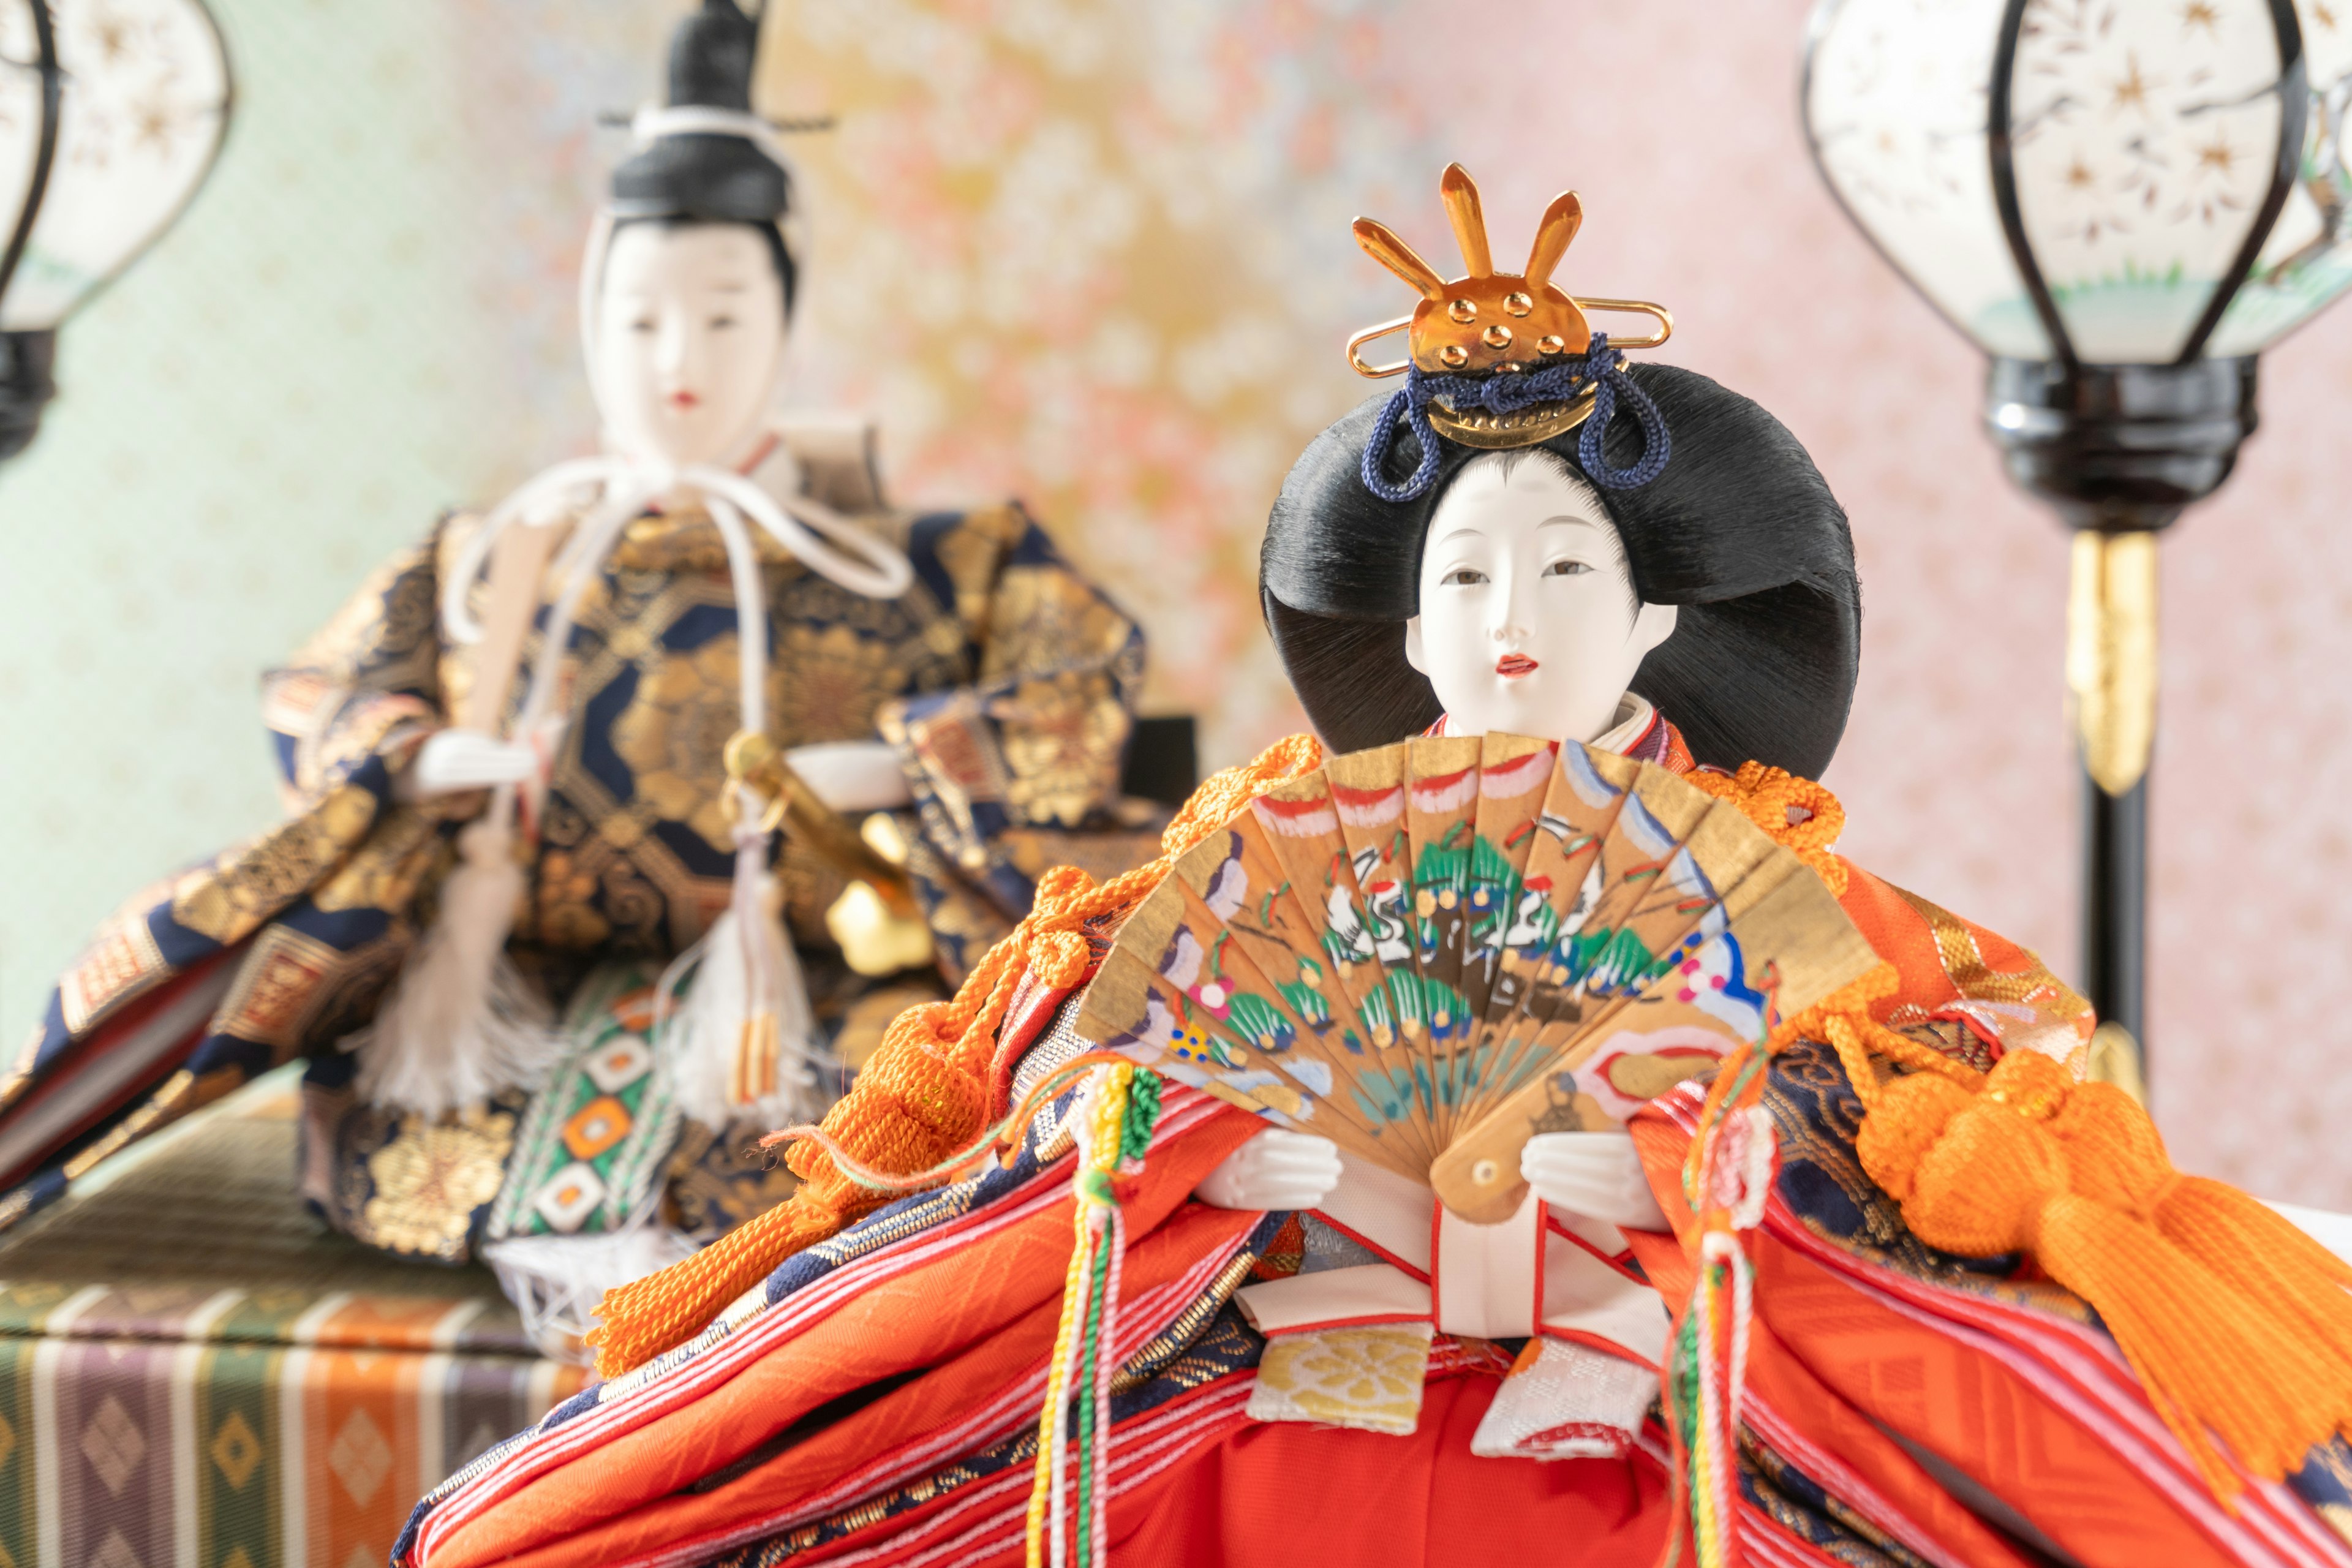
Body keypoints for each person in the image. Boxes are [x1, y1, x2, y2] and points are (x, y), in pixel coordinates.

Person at [391, 167, 2352, 1568]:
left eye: (1568, 569)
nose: (1512, 617)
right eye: (1466, 578)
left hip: (1651, 1321)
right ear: (1402, 636)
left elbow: (1953, 1067)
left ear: (1660, 618)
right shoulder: (1253, 849)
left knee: (2036, 1420)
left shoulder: (1764, 867)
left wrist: (1691, 1165)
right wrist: (1212, 1159)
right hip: (1303, 1309)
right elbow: (1060, 1077)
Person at [2, 0, 1152, 1333]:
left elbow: (1077, 689)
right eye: (644, 316)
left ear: (785, 316)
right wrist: (420, 755)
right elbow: (324, 694)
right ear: (593, 308)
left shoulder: (941, 565)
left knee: (862, 1137)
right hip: (523, 1004)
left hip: (810, 1001)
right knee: (414, 1124)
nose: (680, 361)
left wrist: (910, 758)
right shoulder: (496, 560)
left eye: (723, 317)